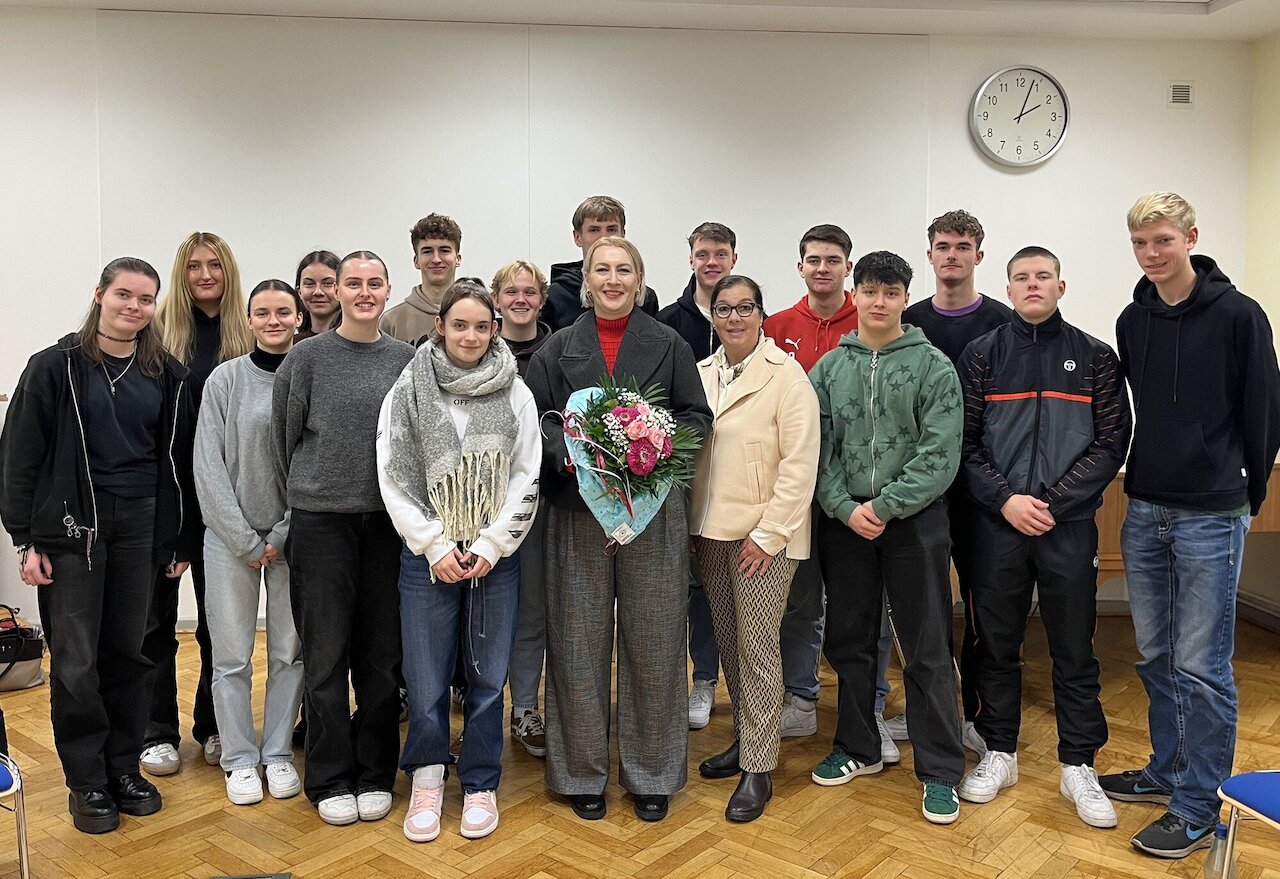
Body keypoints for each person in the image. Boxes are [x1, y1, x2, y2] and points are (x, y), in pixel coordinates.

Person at [1099, 192, 1280, 858]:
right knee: (1157, 655)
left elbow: (1265, 409)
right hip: (1146, 505)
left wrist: (1246, 492)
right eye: (1140, 243)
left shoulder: (1238, 314)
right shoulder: (1132, 319)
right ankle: (1167, 770)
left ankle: (1200, 804)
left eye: (1163, 240)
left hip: (1212, 510)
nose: (1151, 253)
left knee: (1202, 665)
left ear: (1191, 238)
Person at [1, 257, 198, 833]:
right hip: (71, 529)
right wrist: (24, 538)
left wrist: (178, 538)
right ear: (99, 295)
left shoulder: (167, 373)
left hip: (142, 525)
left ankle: (124, 768)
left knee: (130, 652)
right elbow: (18, 457)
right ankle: (86, 780)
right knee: (77, 659)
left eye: (145, 299)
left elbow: (180, 464)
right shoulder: (54, 367)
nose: (134, 307)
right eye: (123, 295)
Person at [526, 236, 712, 822]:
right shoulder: (556, 349)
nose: (612, 280)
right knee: (576, 642)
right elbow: (535, 422)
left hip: (651, 512)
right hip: (576, 512)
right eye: (601, 270)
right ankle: (580, 773)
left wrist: (659, 446)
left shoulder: (670, 343)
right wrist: (570, 452)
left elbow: (696, 415)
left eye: (623, 270)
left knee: (655, 640)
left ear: (639, 279)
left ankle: (652, 772)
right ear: (586, 280)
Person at [956, 247, 1130, 829]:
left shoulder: (1096, 357)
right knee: (995, 645)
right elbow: (964, 444)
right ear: (1007, 289)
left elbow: (1112, 441)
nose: (1033, 285)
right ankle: (998, 751)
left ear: (1061, 286)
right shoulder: (981, 355)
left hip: (1067, 527)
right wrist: (1006, 500)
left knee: (1074, 648)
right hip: (996, 526)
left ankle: (1079, 763)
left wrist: (1053, 503)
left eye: (1043, 276)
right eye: (1021, 277)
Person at [378, 279, 541, 842]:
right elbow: (392, 472)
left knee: (488, 679)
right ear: (440, 327)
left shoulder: (515, 391)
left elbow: (526, 475)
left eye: (481, 326)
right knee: (425, 680)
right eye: (459, 325)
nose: (470, 336)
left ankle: (479, 782)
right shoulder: (408, 387)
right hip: (428, 558)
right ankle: (427, 778)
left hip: (495, 557)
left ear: (494, 330)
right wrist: (434, 544)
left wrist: (492, 544)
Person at [809, 251, 965, 825]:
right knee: (849, 641)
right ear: (855, 294)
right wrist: (844, 507)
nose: (879, 302)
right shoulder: (828, 369)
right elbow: (814, 449)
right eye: (870, 291)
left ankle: (940, 769)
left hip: (915, 524)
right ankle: (859, 746)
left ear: (905, 297)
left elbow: (940, 453)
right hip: (846, 524)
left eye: (891, 292)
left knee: (926, 646)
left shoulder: (933, 366)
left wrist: (885, 505)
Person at [272, 251, 415, 825]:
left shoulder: (406, 360)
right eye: (352, 283)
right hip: (321, 524)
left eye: (373, 283)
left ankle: (376, 772)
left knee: (381, 660)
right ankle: (329, 777)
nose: (363, 292)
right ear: (336, 292)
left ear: (388, 290)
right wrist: (311, 494)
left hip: (387, 526)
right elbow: (283, 440)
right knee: (325, 658)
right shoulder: (306, 358)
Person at [689, 274, 819, 822]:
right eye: (724, 308)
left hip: (765, 537)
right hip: (710, 533)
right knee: (728, 641)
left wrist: (768, 536)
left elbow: (800, 463)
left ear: (761, 315)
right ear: (712, 316)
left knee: (758, 646)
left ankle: (759, 767)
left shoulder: (786, 376)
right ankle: (747, 739)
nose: (734, 318)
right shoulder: (701, 373)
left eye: (746, 308)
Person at [885, 210, 1014, 758]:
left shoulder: (1005, 323)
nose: (952, 255)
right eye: (943, 246)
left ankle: (979, 718)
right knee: (926, 610)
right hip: (921, 490)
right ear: (930, 254)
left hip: (984, 491)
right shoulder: (908, 321)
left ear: (978, 255)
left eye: (963, 246)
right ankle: (929, 712)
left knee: (984, 608)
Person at [141, 232, 253, 777]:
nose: (205, 275)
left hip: (224, 501)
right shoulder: (156, 334)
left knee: (218, 626)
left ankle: (213, 725)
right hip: (163, 498)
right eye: (194, 266)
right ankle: (155, 732)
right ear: (180, 273)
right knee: (153, 623)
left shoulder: (246, 334)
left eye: (214, 265)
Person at [194, 280, 307, 807]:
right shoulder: (225, 380)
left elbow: (313, 461)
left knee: (288, 652)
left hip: (292, 538)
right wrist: (244, 539)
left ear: (299, 317)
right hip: (228, 539)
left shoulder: (307, 374)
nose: (273, 321)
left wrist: (282, 532)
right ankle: (239, 758)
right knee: (231, 656)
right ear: (249, 319)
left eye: (283, 311)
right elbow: (207, 465)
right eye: (263, 312)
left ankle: (278, 752)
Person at [761, 224, 858, 743]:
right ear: (800, 266)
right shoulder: (775, 326)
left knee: (861, 600)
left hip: (855, 489)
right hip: (792, 487)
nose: (823, 268)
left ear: (848, 266)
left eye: (833, 259)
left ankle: (867, 703)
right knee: (799, 598)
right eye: (813, 259)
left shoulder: (870, 320)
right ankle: (800, 697)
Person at [658, 221, 739, 730]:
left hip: (737, 475)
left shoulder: (750, 318)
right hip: (683, 476)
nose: (712, 262)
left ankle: (745, 688)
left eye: (720, 253)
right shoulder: (668, 324)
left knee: (734, 590)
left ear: (733, 258)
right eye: (703, 253)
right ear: (691, 259)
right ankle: (699, 680)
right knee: (691, 589)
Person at [492, 260, 553, 758]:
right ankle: (488, 710)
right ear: (496, 300)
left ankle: (527, 707)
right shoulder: (479, 351)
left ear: (542, 299)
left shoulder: (558, 352)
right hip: (488, 506)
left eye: (529, 291)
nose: (520, 299)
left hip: (550, 500)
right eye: (510, 291)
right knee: (490, 615)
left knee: (535, 610)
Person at [542, 196, 659, 330]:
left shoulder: (645, 298)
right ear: (577, 237)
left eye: (611, 229)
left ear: (623, 235)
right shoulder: (554, 297)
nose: (604, 237)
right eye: (594, 230)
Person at [381, 213, 462, 347]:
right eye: (427, 251)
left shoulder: (477, 315)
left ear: (458, 259)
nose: (436, 259)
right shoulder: (391, 321)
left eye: (444, 250)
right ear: (416, 261)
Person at [294, 251, 342, 339]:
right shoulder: (292, 344)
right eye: (309, 284)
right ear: (299, 291)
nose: (318, 292)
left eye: (328, 283)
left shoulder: (358, 340)